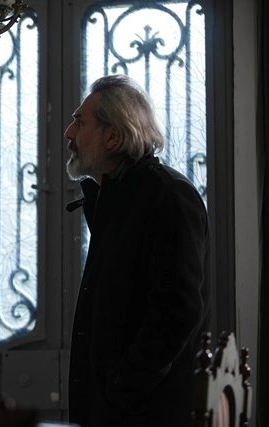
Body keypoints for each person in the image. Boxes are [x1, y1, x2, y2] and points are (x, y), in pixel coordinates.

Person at [64, 75, 210, 426]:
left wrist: (121, 388)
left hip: (144, 414)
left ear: (112, 137)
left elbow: (176, 311)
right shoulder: (113, 198)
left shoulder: (168, 195)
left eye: (80, 122)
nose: (69, 134)